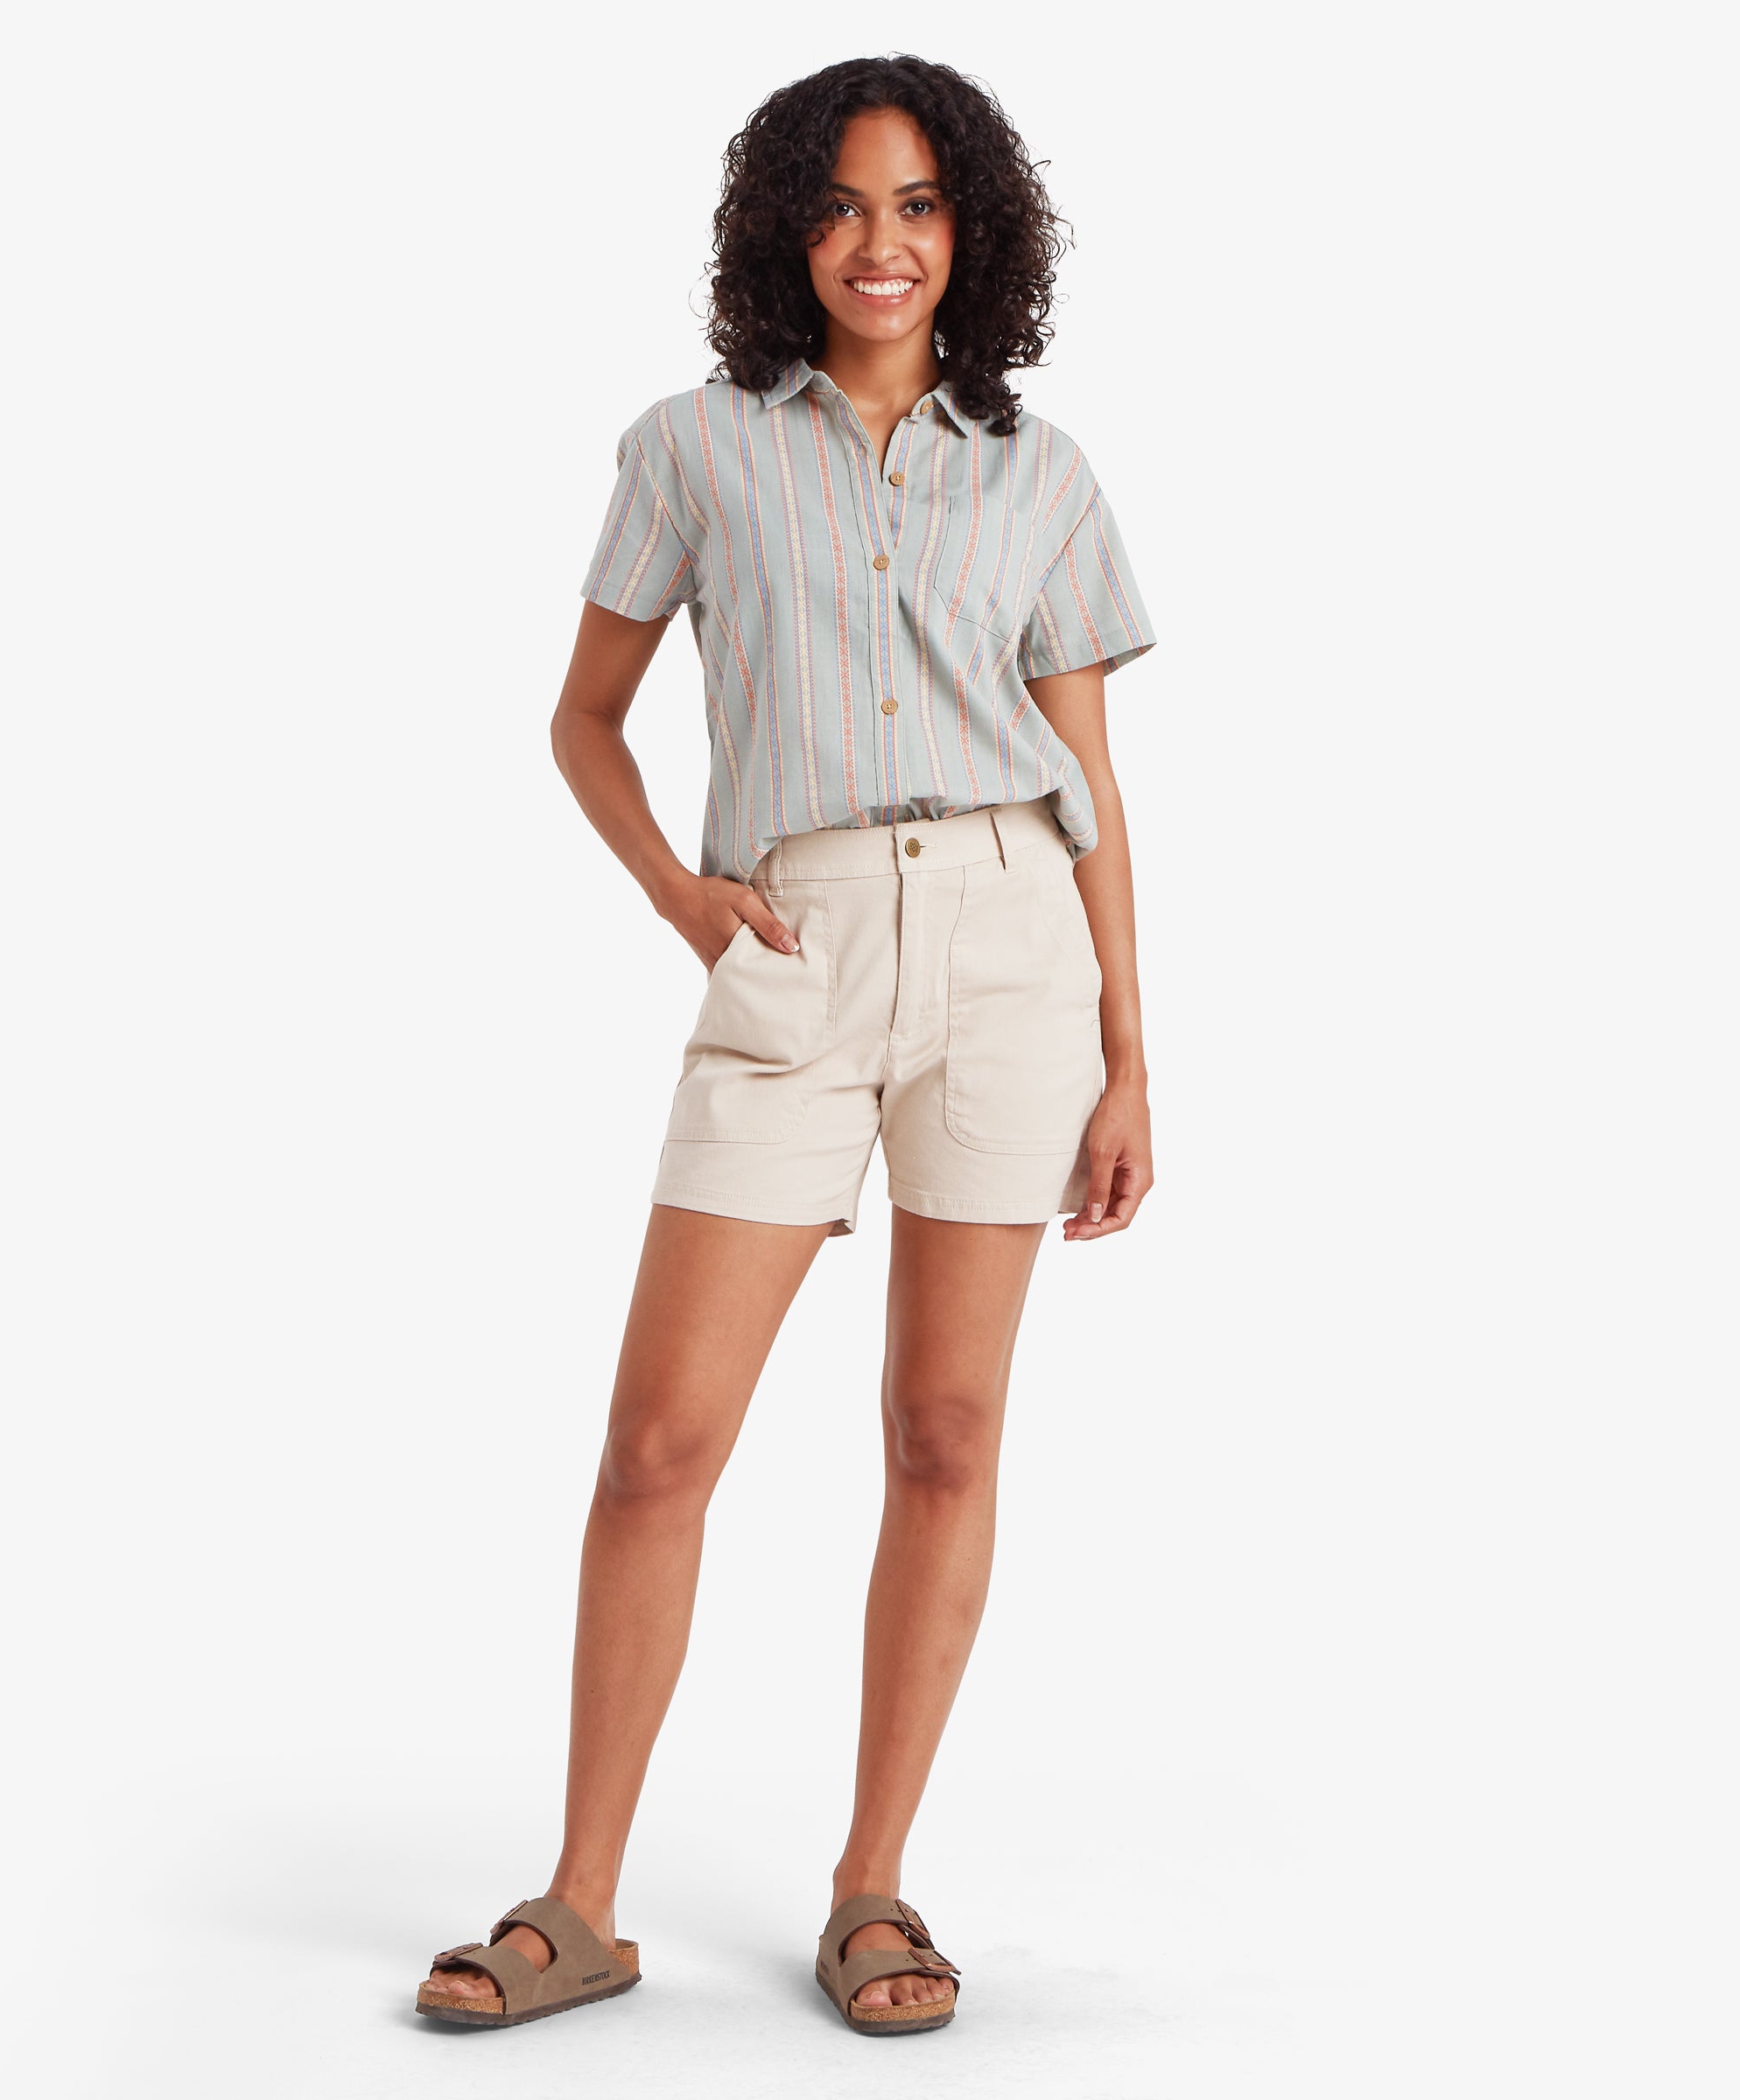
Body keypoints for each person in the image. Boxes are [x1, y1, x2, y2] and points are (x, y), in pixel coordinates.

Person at [415, 52, 1155, 2038]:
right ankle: (579, 1904)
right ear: (783, 233)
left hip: (1013, 944)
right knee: (662, 1443)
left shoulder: (1042, 476)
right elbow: (582, 716)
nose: (880, 243)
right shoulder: (692, 448)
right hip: (792, 941)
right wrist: (680, 894)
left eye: (918, 206)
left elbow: (1092, 778)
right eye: (840, 205)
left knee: (946, 1432)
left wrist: (1131, 1057)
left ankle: (871, 1886)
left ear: (969, 232)